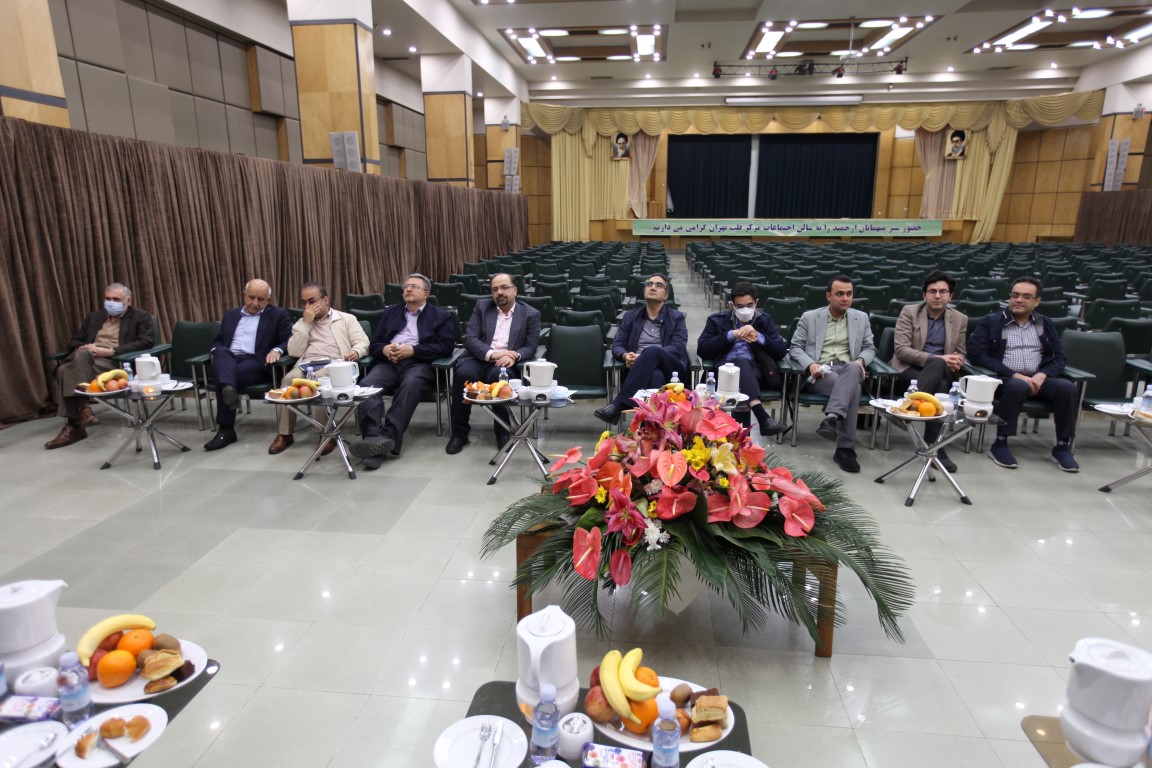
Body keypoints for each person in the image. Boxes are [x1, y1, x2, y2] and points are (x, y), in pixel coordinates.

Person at [968, 276, 1079, 472]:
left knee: (1067, 388)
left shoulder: (1043, 323)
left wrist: (1042, 375)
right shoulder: (992, 321)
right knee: (1017, 385)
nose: (1019, 300)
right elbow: (978, 355)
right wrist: (1014, 374)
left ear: (1037, 301)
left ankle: (1062, 446)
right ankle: (1000, 442)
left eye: (1026, 297)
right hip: (1005, 379)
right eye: (1015, 295)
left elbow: (1059, 357)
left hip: (1038, 379)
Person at [350, 274, 454, 470]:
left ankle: (385, 439)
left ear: (426, 293)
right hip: (389, 362)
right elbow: (375, 343)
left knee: (410, 385)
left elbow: (446, 347)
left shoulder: (440, 315)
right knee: (366, 386)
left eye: (414, 286)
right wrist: (384, 349)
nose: (408, 289)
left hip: (419, 363)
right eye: (406, 286)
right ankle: (374, 437)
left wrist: (413, 350)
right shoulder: (391, 312)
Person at [45, 283, 155, 449]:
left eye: (116, 299)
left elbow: (145, 342)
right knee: (82, 354)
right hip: (87, 360)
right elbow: (74, 341)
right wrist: (84, 347)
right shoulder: (95, 317)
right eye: (108, 298)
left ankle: (75, 424)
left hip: (114, 362)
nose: (111, 302)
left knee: (63, 370)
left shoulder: (140, 317)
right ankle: (83, 410)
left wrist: (111, 351)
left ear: (128, 301)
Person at [787, 275, 876, 473]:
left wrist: (861, 361)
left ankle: (832, 418)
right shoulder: (810, 317)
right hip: (822, 374)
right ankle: (845, 449)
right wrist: (811, 364)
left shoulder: (861, 318)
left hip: (849, 369)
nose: (845, 298)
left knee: (853, 369)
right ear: (829, 296)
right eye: (840, 294)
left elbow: (870, 348)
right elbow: (795, 348)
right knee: (854, 389)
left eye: (849, 294)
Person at [268, 282, 369, 455]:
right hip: (307, 364)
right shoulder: (301, 323)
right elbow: (294, 351)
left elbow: (362, 342)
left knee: (320, 383)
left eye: (312, 301)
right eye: (304, 302)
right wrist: (306, 325)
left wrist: (355, 352)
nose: (307, 306)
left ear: (325, 300)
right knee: (287, 381)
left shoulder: (346, 319)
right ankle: (285, 434)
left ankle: (326, 434)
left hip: (333, 364)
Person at [446, 273, 541, 455]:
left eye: (504, 288)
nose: (499, 293)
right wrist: (492, 354)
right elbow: (470, 338)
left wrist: (516, 356)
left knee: (499, 379)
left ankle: (503, 432)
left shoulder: (530, 313)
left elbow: (531, 346)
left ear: (515, 290)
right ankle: (459, 434)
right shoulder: (482, 307)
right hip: (477, 358)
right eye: (495, 289)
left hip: (505, 362)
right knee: (463, 375)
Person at [891, 270, 969, 472]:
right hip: (909, 372)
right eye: (932, 291)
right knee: (940, 384)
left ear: (950, 296)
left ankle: (906, 410)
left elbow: (961, 351)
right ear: (924, 295)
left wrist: (958, 360)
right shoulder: (910, 312)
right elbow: (901, 350)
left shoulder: (960, 318)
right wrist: (938, 359)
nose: (937, 295)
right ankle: (935, 449)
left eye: (943, 292)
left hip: (941, 372)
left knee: (939, 369)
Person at [204, 279, 293, 451]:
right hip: (229, 359)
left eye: (261, 299)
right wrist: (214, 351)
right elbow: (219, 341)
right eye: (251, 298)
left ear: (268, 299)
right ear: (244, 295)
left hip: (256, 362)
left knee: (224, 379)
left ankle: (226, 429)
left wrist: (277, 350)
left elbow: (289, 339)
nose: (255, 303)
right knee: (220, 352)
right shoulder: (231, 314)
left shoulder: (278, 314)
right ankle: (228, 390)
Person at [595, 274, 689, 425]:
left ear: (666, 295)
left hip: (672, 371)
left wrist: (644, 356)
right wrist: (625, 355)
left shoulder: (677, 317)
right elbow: (618, 344)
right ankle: (650, 429)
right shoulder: (630, 316)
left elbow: (678, 347)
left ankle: (618, 404)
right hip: (639, 371)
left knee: (652, 351)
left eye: (659, 285)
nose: (653, 287)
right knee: (655, 375)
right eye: (649, 284)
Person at [695, 282, 787, 437]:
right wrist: (730, 335)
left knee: (740, 366)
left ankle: (744, 434)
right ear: (733, 305)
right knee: (738, 365)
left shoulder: (764, 321)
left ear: (756, 303)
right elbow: (703, 350)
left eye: (749, 305)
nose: (745, 309)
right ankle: (761, 417)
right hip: (721, 373)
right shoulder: (717, 320)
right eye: (740, 306)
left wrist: (759, 337)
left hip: (755, 373)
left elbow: (780, 351)